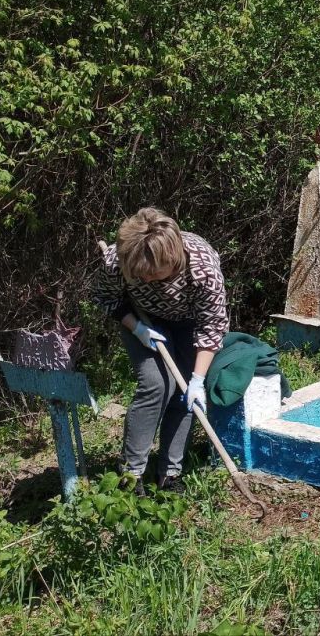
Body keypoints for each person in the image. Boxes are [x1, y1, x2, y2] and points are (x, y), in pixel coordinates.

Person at [93, 208, 228, 494]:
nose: (149, 280)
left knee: (184, 395)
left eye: (155, 274)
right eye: (142, 276)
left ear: (173, 256)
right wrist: (137, 329)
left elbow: (212, 326)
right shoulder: (119, 260)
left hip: (190, 322)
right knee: (156, 384)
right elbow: (106, 298)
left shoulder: (202, 267)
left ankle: (170, 472)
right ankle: (131, 472)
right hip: (142, 322)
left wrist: (197, 381)